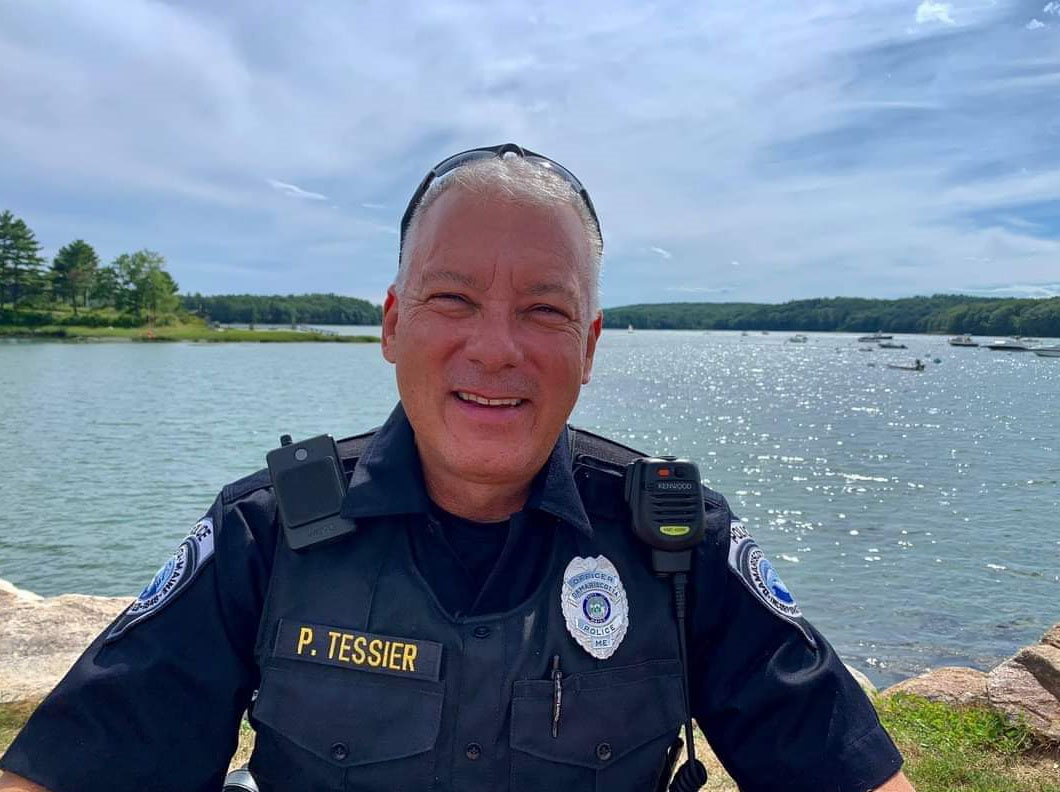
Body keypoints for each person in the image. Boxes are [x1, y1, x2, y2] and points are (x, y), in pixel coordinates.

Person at [0, 144, 916, 792]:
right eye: (453, 298)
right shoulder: (268, 534)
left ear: (589, 346)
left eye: (546, 312)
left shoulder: (676, 544)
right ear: (393, 323)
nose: (495, 348)